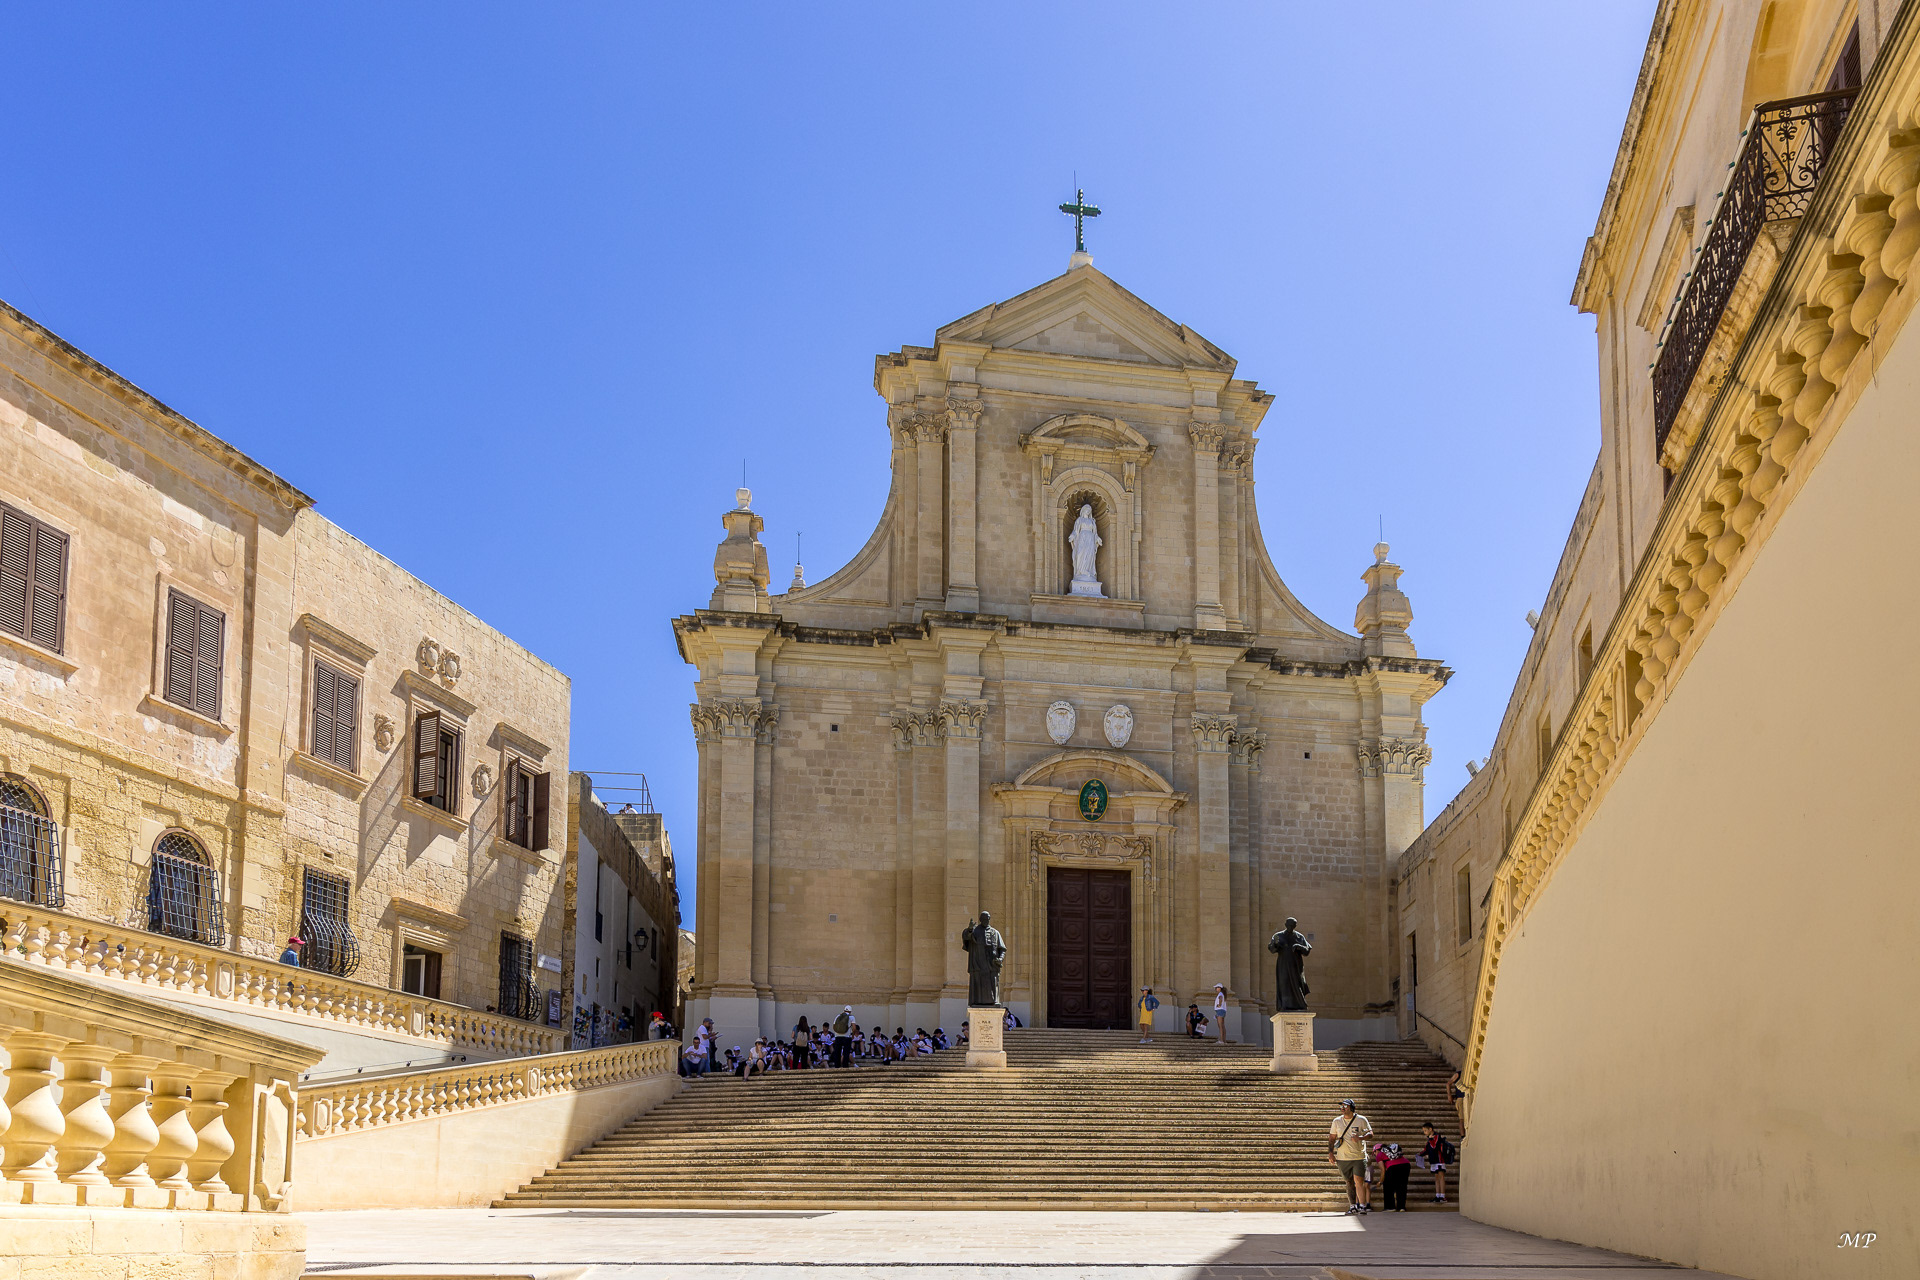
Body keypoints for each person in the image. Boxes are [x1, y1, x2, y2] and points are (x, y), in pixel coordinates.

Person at [1328, 1099, 1374, 1214]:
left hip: (1359, 1156)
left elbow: (1370, 1134)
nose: (1343, 1108)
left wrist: (1361, 1138)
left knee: (1359, 1180)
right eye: (1341, 1106)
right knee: (1349, 1182)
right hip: (1343, 1157)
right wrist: (1330, 1153)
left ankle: (1362, 1206)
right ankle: (1352, 1206)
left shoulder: (1361, 1119)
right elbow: (1332, 1138)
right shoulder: (1336, 1121)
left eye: (1345, 1106)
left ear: (1352, 1107)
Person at [1419, 1121, 1457, 1203]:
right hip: (1433, 1161)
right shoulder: (1429, 1139)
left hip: (1439, 1160)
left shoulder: (1436, 1136)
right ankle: (1438, 1195)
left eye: (1425, 1130)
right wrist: (1420, 1154)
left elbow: (1434, 1146)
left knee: (1441, 1177)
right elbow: (1427, 1149)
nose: (1424, 1132)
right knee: (1436, 1178)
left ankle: (1442, 1196)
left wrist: (1430, 1139)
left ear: (1430, 1129)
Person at [1373, 1140, 1412, 1212]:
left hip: (1393, 1167)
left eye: (1374, 1152)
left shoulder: (1379, 1155)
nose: (1374, 1154)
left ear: (1376, 1150)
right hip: (1406, 1165)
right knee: (1402, 1186)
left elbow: (1383, 1170)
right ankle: (1401, 1207)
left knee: (1388, 1187)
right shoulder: (1390, 1151)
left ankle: (1390, 1207)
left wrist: (1380, 1182)